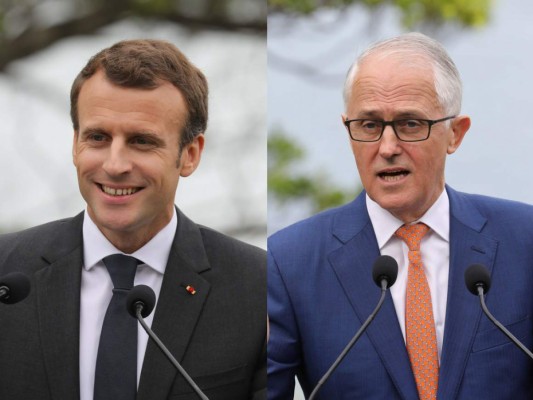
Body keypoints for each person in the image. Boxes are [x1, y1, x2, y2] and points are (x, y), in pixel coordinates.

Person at [267, 32, 533, 399]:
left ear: (455, 133)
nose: (387, 148)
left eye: (410, 124)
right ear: (349, 131)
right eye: (369, 125)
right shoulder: (288, 262)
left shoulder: (524, 239)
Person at [0, 39, 266, 400]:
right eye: (97, 137)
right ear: (75, 144)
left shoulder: (257, 286)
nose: (115, 165)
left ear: (189, 155)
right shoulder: (7, 277)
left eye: (142, 141)